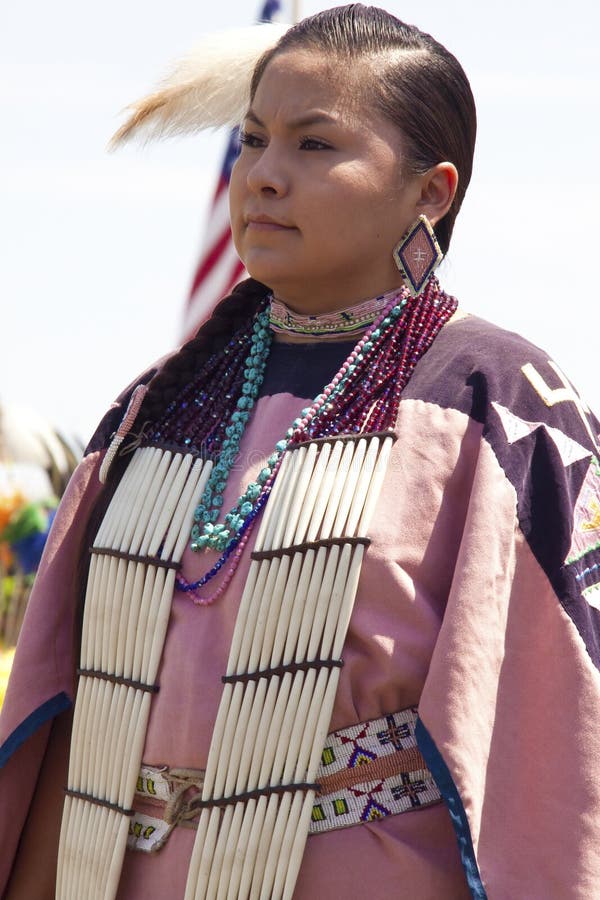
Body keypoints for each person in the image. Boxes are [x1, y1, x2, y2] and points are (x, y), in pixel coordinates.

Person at [2, 5, 600, 898]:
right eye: (251, 141)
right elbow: (63, 709)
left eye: (314, 146)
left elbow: (557, 732)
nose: (263, 178)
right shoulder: (156, 406)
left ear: (431, 191)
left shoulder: (495, 403)